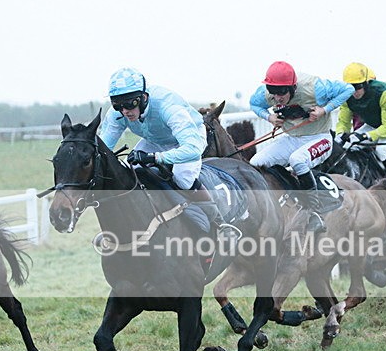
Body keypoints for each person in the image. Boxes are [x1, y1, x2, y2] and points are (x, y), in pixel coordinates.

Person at [100, 67, 236, 240]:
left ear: (143, 97)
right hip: (157, 140)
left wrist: (155, 158)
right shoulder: (118, 114)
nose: (125, 111)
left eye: (130, 103)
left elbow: (192, 150)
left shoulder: (167, 107)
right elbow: (103, 148)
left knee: (182, 177)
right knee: (130, 170)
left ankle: (219, 221)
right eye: (118, 105)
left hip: (189, 139)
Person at [249, 61, 354, 233]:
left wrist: (324, 109)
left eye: (281, 92)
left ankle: (313, 213)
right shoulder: (267, 93)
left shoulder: (315, 88)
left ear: (293, 87)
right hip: (292, 138)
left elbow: (348, 89)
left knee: (297, 160)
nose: (277, 97)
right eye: (272, 91)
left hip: (320, 138)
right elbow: (254, 104)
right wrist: (269, 117)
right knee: (256, 163)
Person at [335, 62, 386, 208]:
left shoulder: (385, 93)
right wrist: (341, 134)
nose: (354, 92)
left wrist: (365, 137)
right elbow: (344, 122)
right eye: (350, 87)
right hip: (375, 122)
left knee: (381, 150)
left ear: (366, 83)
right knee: (347, 144)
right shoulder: (346, 97)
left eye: (357, 87)